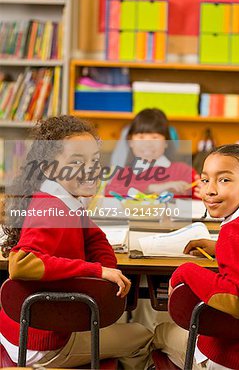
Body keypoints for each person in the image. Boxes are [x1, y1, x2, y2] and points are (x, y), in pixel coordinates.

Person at [0, 115, 152, 369]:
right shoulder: (50, 208)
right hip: (43, 342)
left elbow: (97, 241)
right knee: (145, 336)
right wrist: (96, 271)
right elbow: (22, 263)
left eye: (94, 160)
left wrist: (102, 271)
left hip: (32, 332)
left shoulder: (64, 202)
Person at [154, 143, 239, 370]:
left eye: (224, 180)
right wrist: (220, 246)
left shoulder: (236, 231)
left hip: (231, 361)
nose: (210, 190)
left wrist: (185, 271)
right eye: (205, 179)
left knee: (159, 333)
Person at [105, 108, 199, 197]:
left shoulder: (183, 171)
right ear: (131, 142)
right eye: (141, 137)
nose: (147, 143)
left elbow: (202, 195)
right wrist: (151, 188)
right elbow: (109, 192)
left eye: (155, 137)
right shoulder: (124, 174)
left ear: (166, 142)